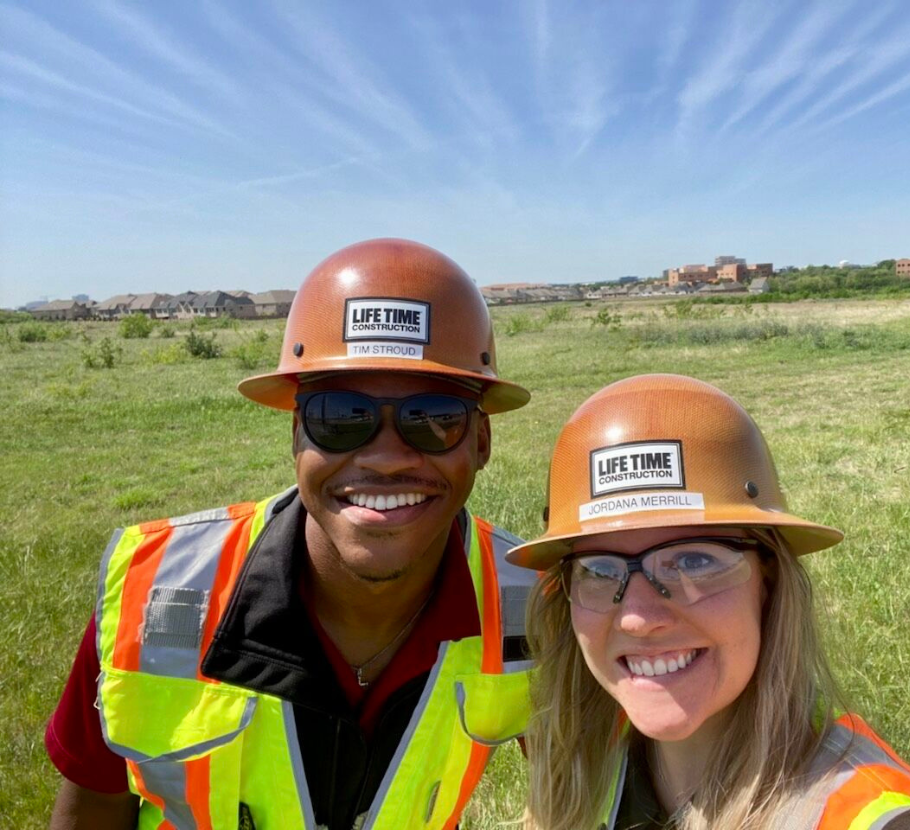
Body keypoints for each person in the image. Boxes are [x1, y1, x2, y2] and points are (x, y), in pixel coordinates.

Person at [46, 238, 536, 830]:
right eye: (339, 416)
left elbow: (592, 782)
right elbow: (93, 807)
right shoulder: (151, 593)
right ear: (297, 437)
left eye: (434, 419)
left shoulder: (535, 602)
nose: (385, 459)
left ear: (481, 444)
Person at [507, 374, 910, 830]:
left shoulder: (863, 816)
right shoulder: (590, 755)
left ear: (769, 579)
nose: (639, 617)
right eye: (600, 570)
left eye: (694, 561)